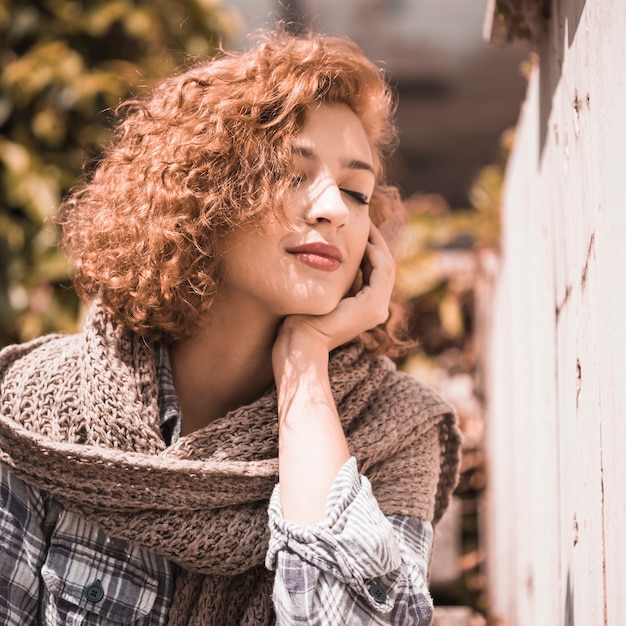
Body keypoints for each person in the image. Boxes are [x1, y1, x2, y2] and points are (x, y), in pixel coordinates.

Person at [0, 27, 461, 625]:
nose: (332, 209)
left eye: (356, 191)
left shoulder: (395, 430)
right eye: (293, 174)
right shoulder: (37, 409)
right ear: (204, 197)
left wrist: (306, 364)